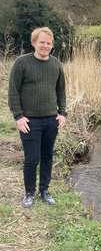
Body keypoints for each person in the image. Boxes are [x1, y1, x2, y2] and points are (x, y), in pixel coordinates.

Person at [8, 27, 67, 207]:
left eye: (49, 43)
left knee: (47, 157)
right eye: (42, 42)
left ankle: (44, 191)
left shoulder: (56, 64)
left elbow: (61, 90)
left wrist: (62, 113)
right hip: (30, 122)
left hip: (51, 120)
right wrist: (18, 116)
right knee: (32, 158)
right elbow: (13, 92)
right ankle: (29, 193)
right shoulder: (22, 63)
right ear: (34, 42)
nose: (45, 46)